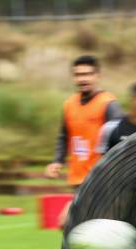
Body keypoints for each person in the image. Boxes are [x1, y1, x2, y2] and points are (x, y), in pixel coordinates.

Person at [44, 55, 122, 227]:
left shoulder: (109, 104)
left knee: (68, 223)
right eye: (78, 75)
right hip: (79, 178)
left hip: (101, 179)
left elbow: (120, 141)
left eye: (87, 74)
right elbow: (64, 136)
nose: (83, 79)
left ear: (97, 76)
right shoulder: (69, 104)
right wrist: (57, 161)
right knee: (79, 226)